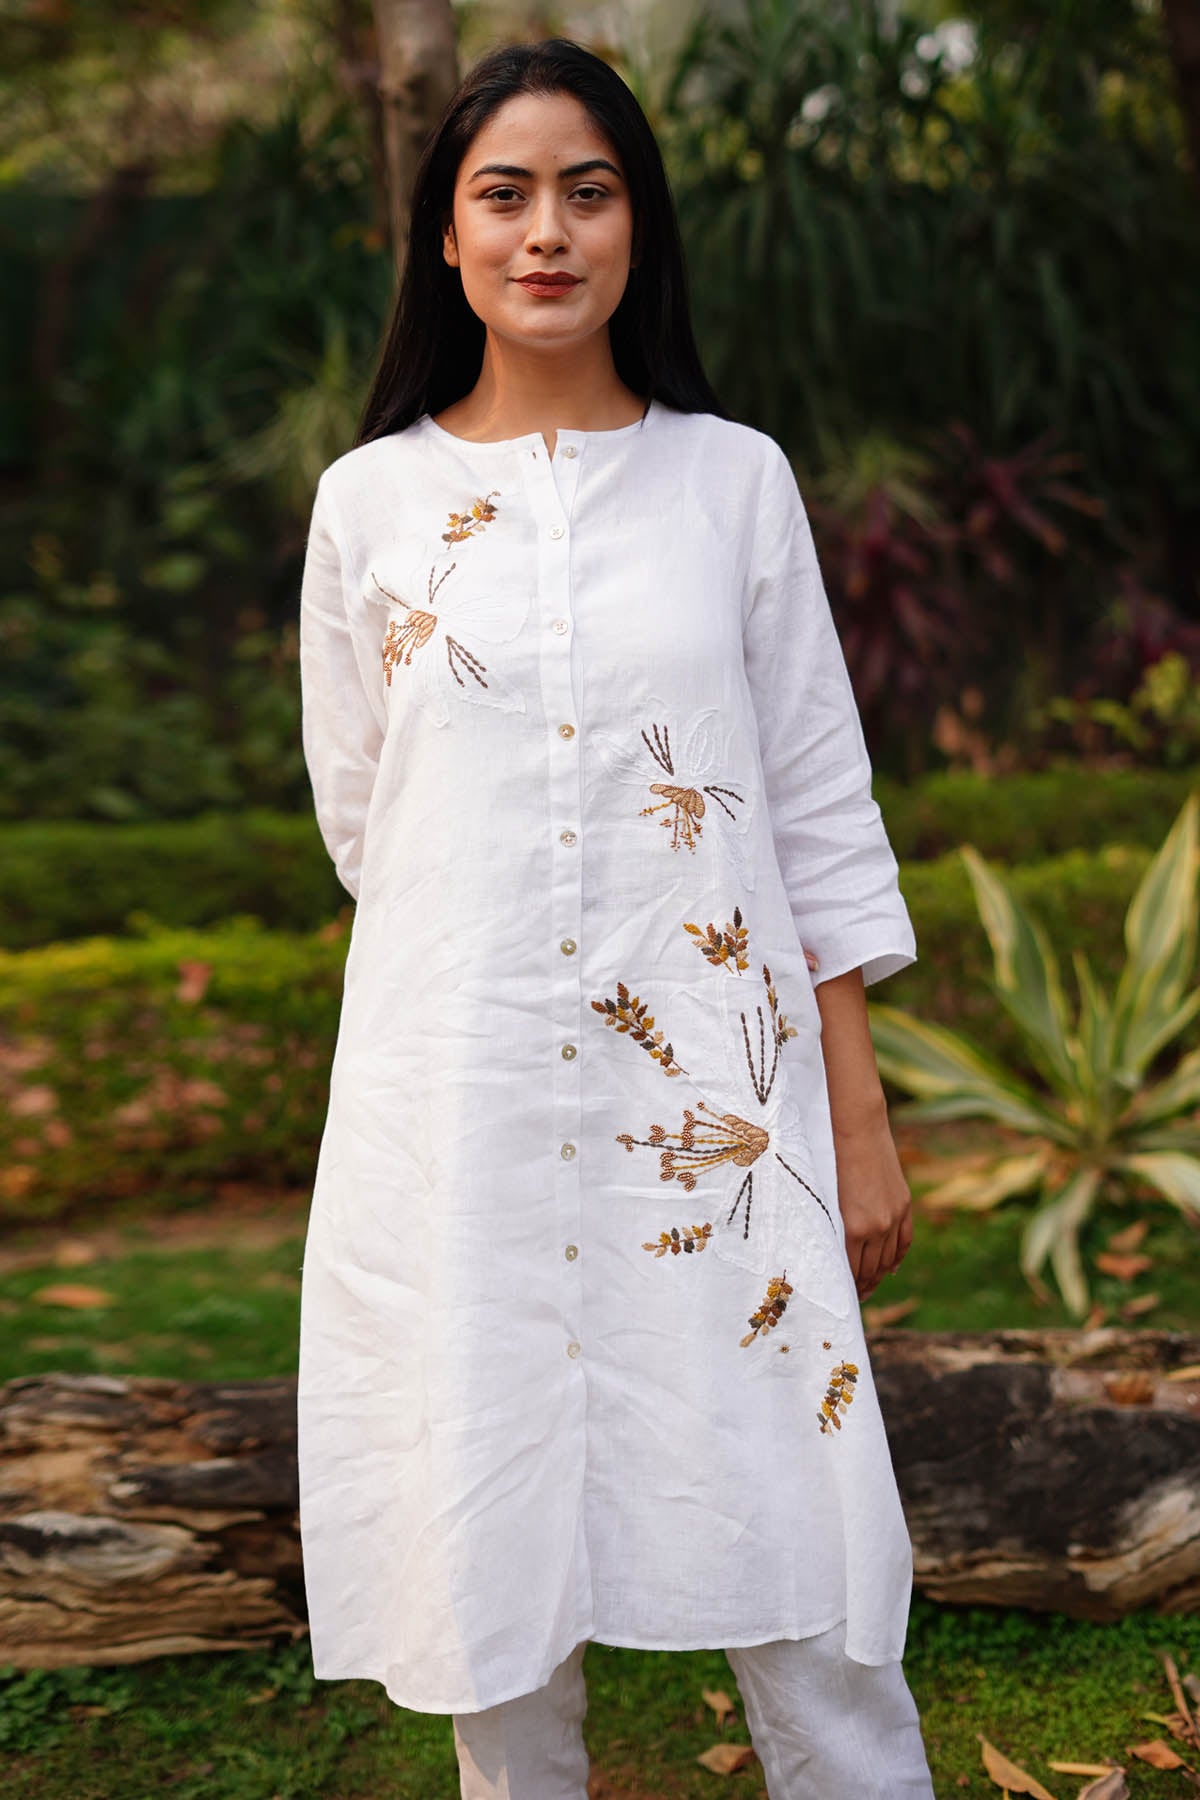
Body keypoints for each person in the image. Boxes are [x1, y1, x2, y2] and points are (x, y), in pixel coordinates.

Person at [296, 33, 936, 1800]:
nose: (547, 232)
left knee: (800, 1529)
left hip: (714, 1113)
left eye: (590, 192)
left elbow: (815, 802)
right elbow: (374, 824)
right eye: (505, 194)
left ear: (638, 227)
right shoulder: (369, 509)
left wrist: (853, 1110)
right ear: (444, 236)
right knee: (484, 1527)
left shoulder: (736, 484)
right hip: (467, 1109)